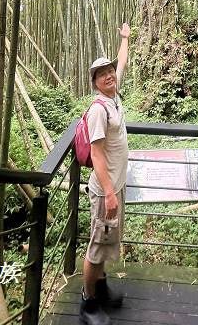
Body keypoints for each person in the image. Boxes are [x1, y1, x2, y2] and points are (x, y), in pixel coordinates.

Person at [79, 23, 130, 325]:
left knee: (108, 239)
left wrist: (124, 39)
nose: (110, 75)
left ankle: (101, 286)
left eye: (110, 71)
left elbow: (122, 61)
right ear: (96, 82)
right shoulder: (99, 109)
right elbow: (96, 154)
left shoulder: (115, 95)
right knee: (97, 244)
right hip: (104, 191)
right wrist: (110, 192)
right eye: (103, 74)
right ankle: (87, 302)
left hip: (116, 185)